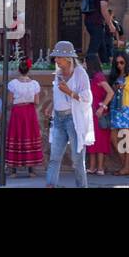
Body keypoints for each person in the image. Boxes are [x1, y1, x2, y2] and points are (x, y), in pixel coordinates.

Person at [42, 41, 94, 188]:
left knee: (77, 160)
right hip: (58, 119)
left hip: (73, 119)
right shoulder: (58, 73)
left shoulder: (80, 73)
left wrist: (69, 92)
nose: (56, 60)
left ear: (68, 58)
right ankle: (51, 186)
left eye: (58, 57)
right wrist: (51, 107)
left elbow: (87, 98)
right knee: (54, 158)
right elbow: (58, 95)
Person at [5, 58, 42, 175]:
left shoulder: (13, 84)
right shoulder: (35, 84)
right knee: (30, 137)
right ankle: (31, 170)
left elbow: (10, 101)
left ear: (18, 70)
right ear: (29, 70)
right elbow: (36, 102)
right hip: (30, 112)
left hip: (17, 112)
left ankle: (14, 170)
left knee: (16, 136)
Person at [107, 50, 129, 175]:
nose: (119, 65)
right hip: (116, 108)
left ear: (126, 62)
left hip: (127, 108)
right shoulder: (115, 76)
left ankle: (126, 166)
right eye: (117, 63)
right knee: (113, 136)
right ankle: (124, 164)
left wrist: (124, 86)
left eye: (122, 62)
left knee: (126, 137)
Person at [85, 52, 113, 176]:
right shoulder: (92, 77)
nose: (84, 64)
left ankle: (100, 167)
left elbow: (110, 92)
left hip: (99, 113)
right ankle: (92, 167)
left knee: (100, 141)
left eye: (85, 62)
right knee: (91, 140)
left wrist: (102, 107)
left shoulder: (98, 77)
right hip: (91, 113)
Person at [83, 0, 114, 65]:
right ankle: (87, 65)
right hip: (96, 22)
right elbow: (103, 9)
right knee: (95, 45)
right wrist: (110, 24)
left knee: (101, 44)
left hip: (90, 21)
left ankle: (105, 63)